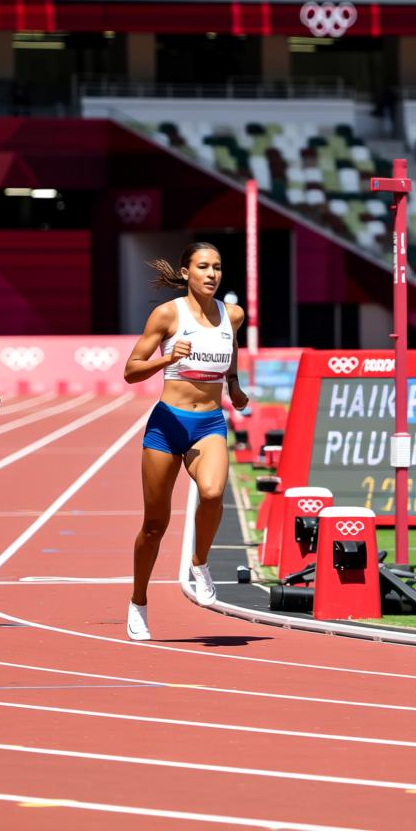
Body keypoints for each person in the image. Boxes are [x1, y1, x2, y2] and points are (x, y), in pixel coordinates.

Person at [123, 242, 249, 641]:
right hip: (167, 424)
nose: (211, 274)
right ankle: (139, 601)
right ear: (185, 273)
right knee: (155, 525)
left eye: (217, 267)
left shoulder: (233, 315)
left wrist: (234, 384)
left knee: (213, 494)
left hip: (210, 422)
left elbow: (229, 353)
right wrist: (167, 358)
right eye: (203, 267)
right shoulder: (166, 315)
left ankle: (199, 563)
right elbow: (130, 371)